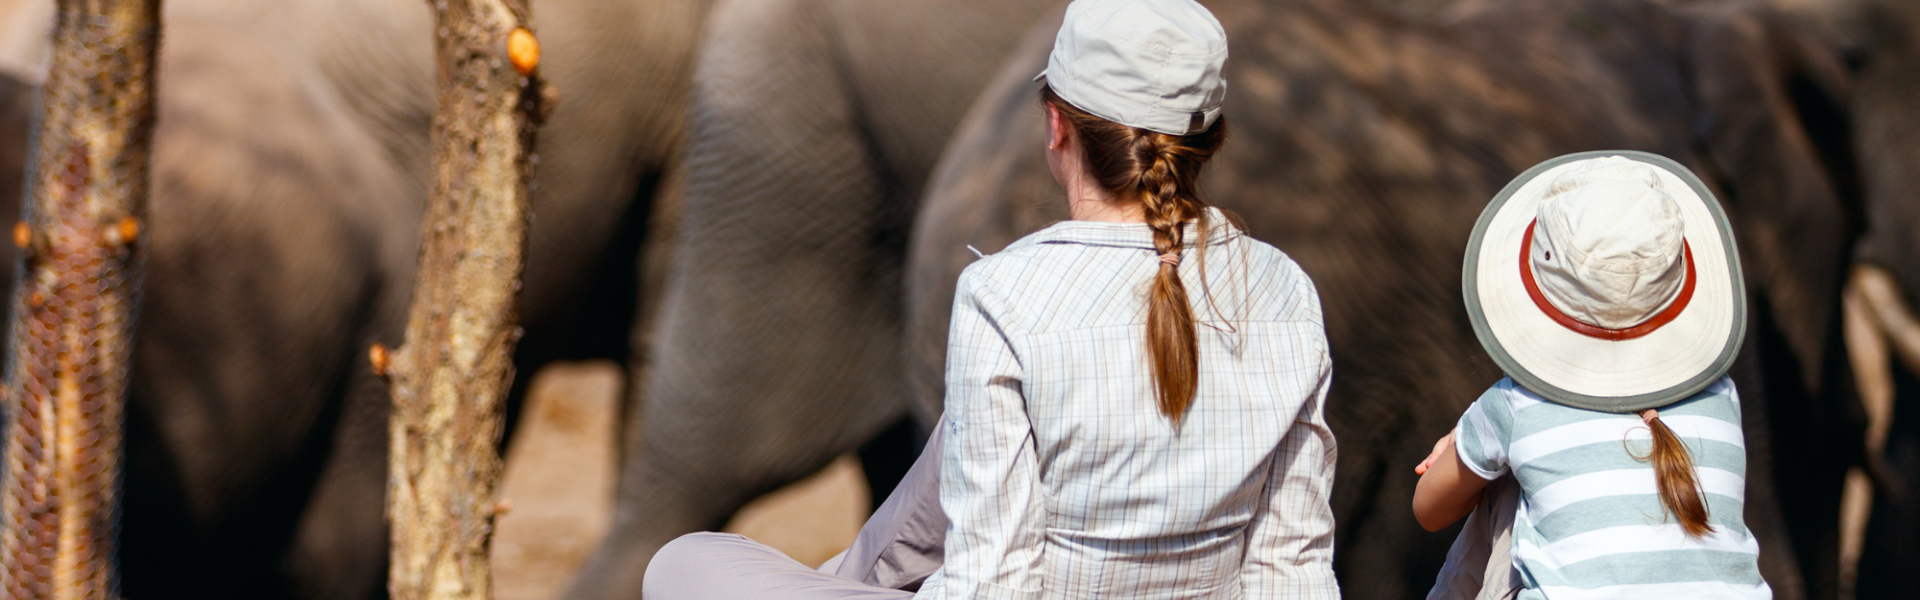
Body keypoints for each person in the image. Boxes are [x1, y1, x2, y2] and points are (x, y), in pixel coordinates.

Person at [643, 0, 1341, 598]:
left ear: (1056, 126)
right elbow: (1294, 565)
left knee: (686, 562)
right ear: (1207, 142)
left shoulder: (1003, 293)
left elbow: (990, 577)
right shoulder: (1287, 292)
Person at [1411, 152, 1771, 600]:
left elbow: (1429, 510)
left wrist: (1466, 442)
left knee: (1505, 491)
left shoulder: (1515, 404)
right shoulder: (1723, 396)